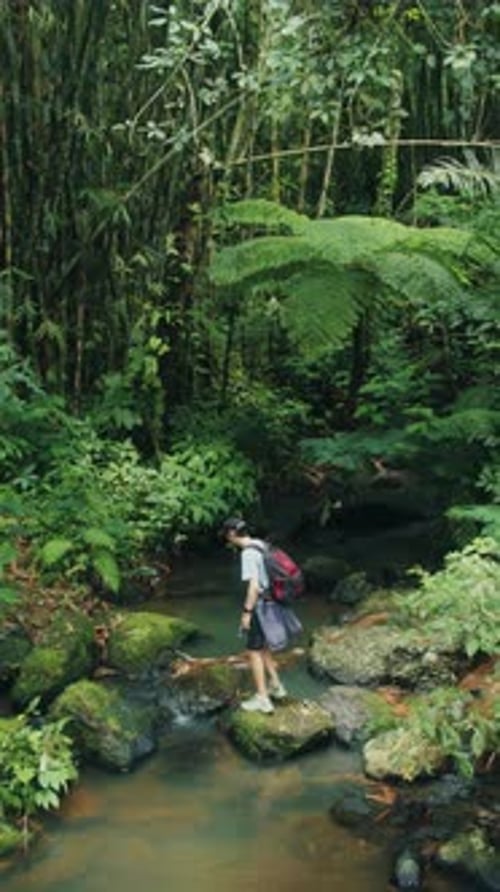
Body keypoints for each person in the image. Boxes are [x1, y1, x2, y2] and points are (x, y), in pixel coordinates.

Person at [222, 517, 301, 715]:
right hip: (274, 603)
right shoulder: (260, 544)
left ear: (232, 534)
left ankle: (262, 698)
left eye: (226, 534)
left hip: (261, 607)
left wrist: (247, 613)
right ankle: (276, 686)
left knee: (253, 651)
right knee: (264, 647)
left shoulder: (248, 554)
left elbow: (254, 586)